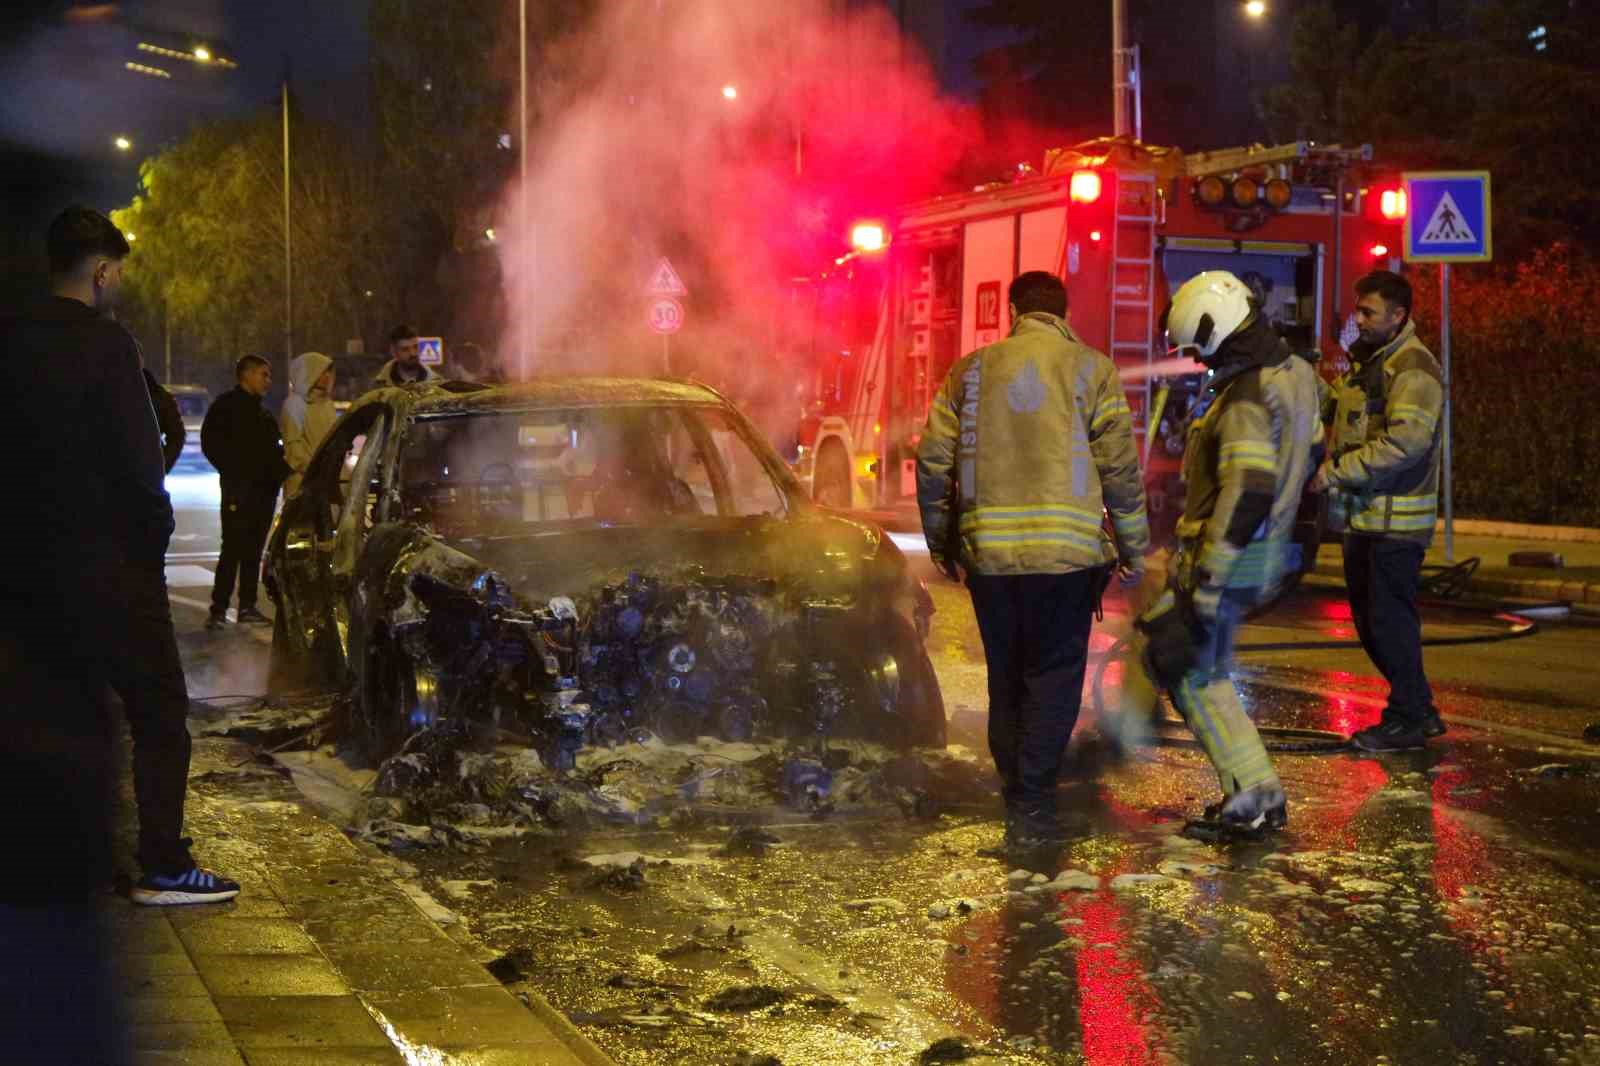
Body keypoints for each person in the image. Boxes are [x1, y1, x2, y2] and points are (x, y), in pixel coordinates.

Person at [0, 205, 238, 905]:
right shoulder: (108, 347)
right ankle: (164, 863)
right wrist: (149, 542)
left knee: (53, 709)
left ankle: (48, 860)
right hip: (110, 568)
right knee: (160, 713)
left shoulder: (9, 341)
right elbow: (140, 465)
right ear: (102, 272)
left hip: (26, 571)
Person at [917, 270, 1149, 847]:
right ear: (1063, 314)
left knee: (1008, 676)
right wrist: (1133, 547)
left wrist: (941, 542)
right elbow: (1120, 468)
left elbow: (932, 463)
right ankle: (1033, 803)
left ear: (1014, 311)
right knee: (1052, 677)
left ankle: (1015, 786)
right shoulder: (1093, 369)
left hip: (991, 561)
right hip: (1067, 562)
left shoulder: (970, 371)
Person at [1121, 270, 1323, 834]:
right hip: (1266, 552)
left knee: (1195, 674)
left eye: (1197, 349)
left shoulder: (1246, 398)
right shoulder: (1297, 375)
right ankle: (1254, 793)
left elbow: (1249, 487)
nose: (1198, 362)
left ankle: (1255, 796)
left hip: (1230, 555)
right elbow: (1312, 454)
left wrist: (1209, 577)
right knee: (1189, 665)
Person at [1310, 270, 1447, 751]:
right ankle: (1420, 708)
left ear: (1399, 316)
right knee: (1373, 623)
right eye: (1358, 310)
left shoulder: (1412, 367)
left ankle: (1407, 718)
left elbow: (1406, 443)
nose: (1359, 320)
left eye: (1369, 312)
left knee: (1388, 623)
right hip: (1366, 520)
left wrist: (1337, 472)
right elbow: (1345, 415)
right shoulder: (1370, 363)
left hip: (1396, 524)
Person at [202, 354, 290, 630]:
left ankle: (247, 606)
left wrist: (280, 476)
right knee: (232, 549)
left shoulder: (262, 412)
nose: (268, 381)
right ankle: (218, 609)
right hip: (239, 492)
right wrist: (233, 471)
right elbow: (211, 443)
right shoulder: (226, 407)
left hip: (263, 494)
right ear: (247, 375)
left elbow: (274, 452)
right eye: (264, 374)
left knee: (253, 551)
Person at [281, 351, 337, 497]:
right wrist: (314, 468)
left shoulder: (327, 404)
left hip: (326, 481)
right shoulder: (295, 404)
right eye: (322, 372)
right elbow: (293, 447)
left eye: (329, 372)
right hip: (303, 482)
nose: (327, 376)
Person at [144, 368, 185, 473]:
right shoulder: (158, 394)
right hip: (149, 469)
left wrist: (163, 465)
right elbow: (177, 435)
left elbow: (177, 436)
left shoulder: (157, 394)